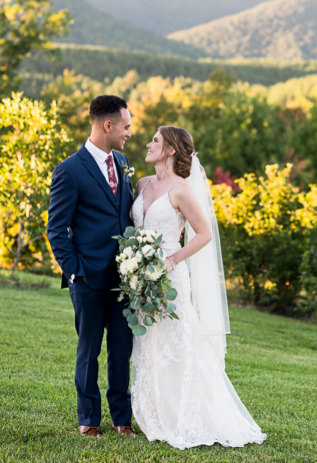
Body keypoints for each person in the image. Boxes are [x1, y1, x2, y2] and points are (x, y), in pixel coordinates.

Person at [130, 125, 266, 449]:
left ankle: (184, 415)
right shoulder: (142, 184)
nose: (148, 144)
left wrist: (171, 261)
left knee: (177, 345)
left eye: (155, 141)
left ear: (171, 150)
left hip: (169, 274)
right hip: (139, 275)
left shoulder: (181, 191)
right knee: (148, 343)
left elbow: (204, 233)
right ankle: (152, 412)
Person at [46, 95, 137, 439]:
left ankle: (122, 419)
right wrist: (74, 272)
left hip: (126, 277)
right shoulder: (69, 169)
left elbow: (125, 213)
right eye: (126, 126)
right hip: (87, 277)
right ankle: (89, 419)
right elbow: (56, 228)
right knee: (89, 350)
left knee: (121, 349)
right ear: (107, 125)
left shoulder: (123, 161)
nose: (129, 132)